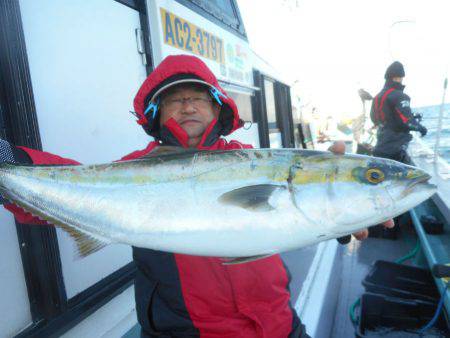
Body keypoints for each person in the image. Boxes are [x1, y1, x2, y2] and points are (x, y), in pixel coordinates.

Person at [1, 54, 392, 337]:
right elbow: (71, 182)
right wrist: (7, 163)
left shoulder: (250, 159)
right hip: (186, 331)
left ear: (217, 107)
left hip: (277, 323)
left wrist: (339, 220)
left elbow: (291, 216)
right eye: (176, 98)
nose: (188, 104)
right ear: (157, 112)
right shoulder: (137, 166)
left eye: (199, 97)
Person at [370, 61, 427, 164]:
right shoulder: (400, 96)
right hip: (395, 148)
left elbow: (375, 118)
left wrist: (411, 116)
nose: (402, 80)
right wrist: (421, 128)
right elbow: (407, 122)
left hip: (381, 144)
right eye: (401, 77)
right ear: (396, 78)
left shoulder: (377, 97)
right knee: (416, 176)